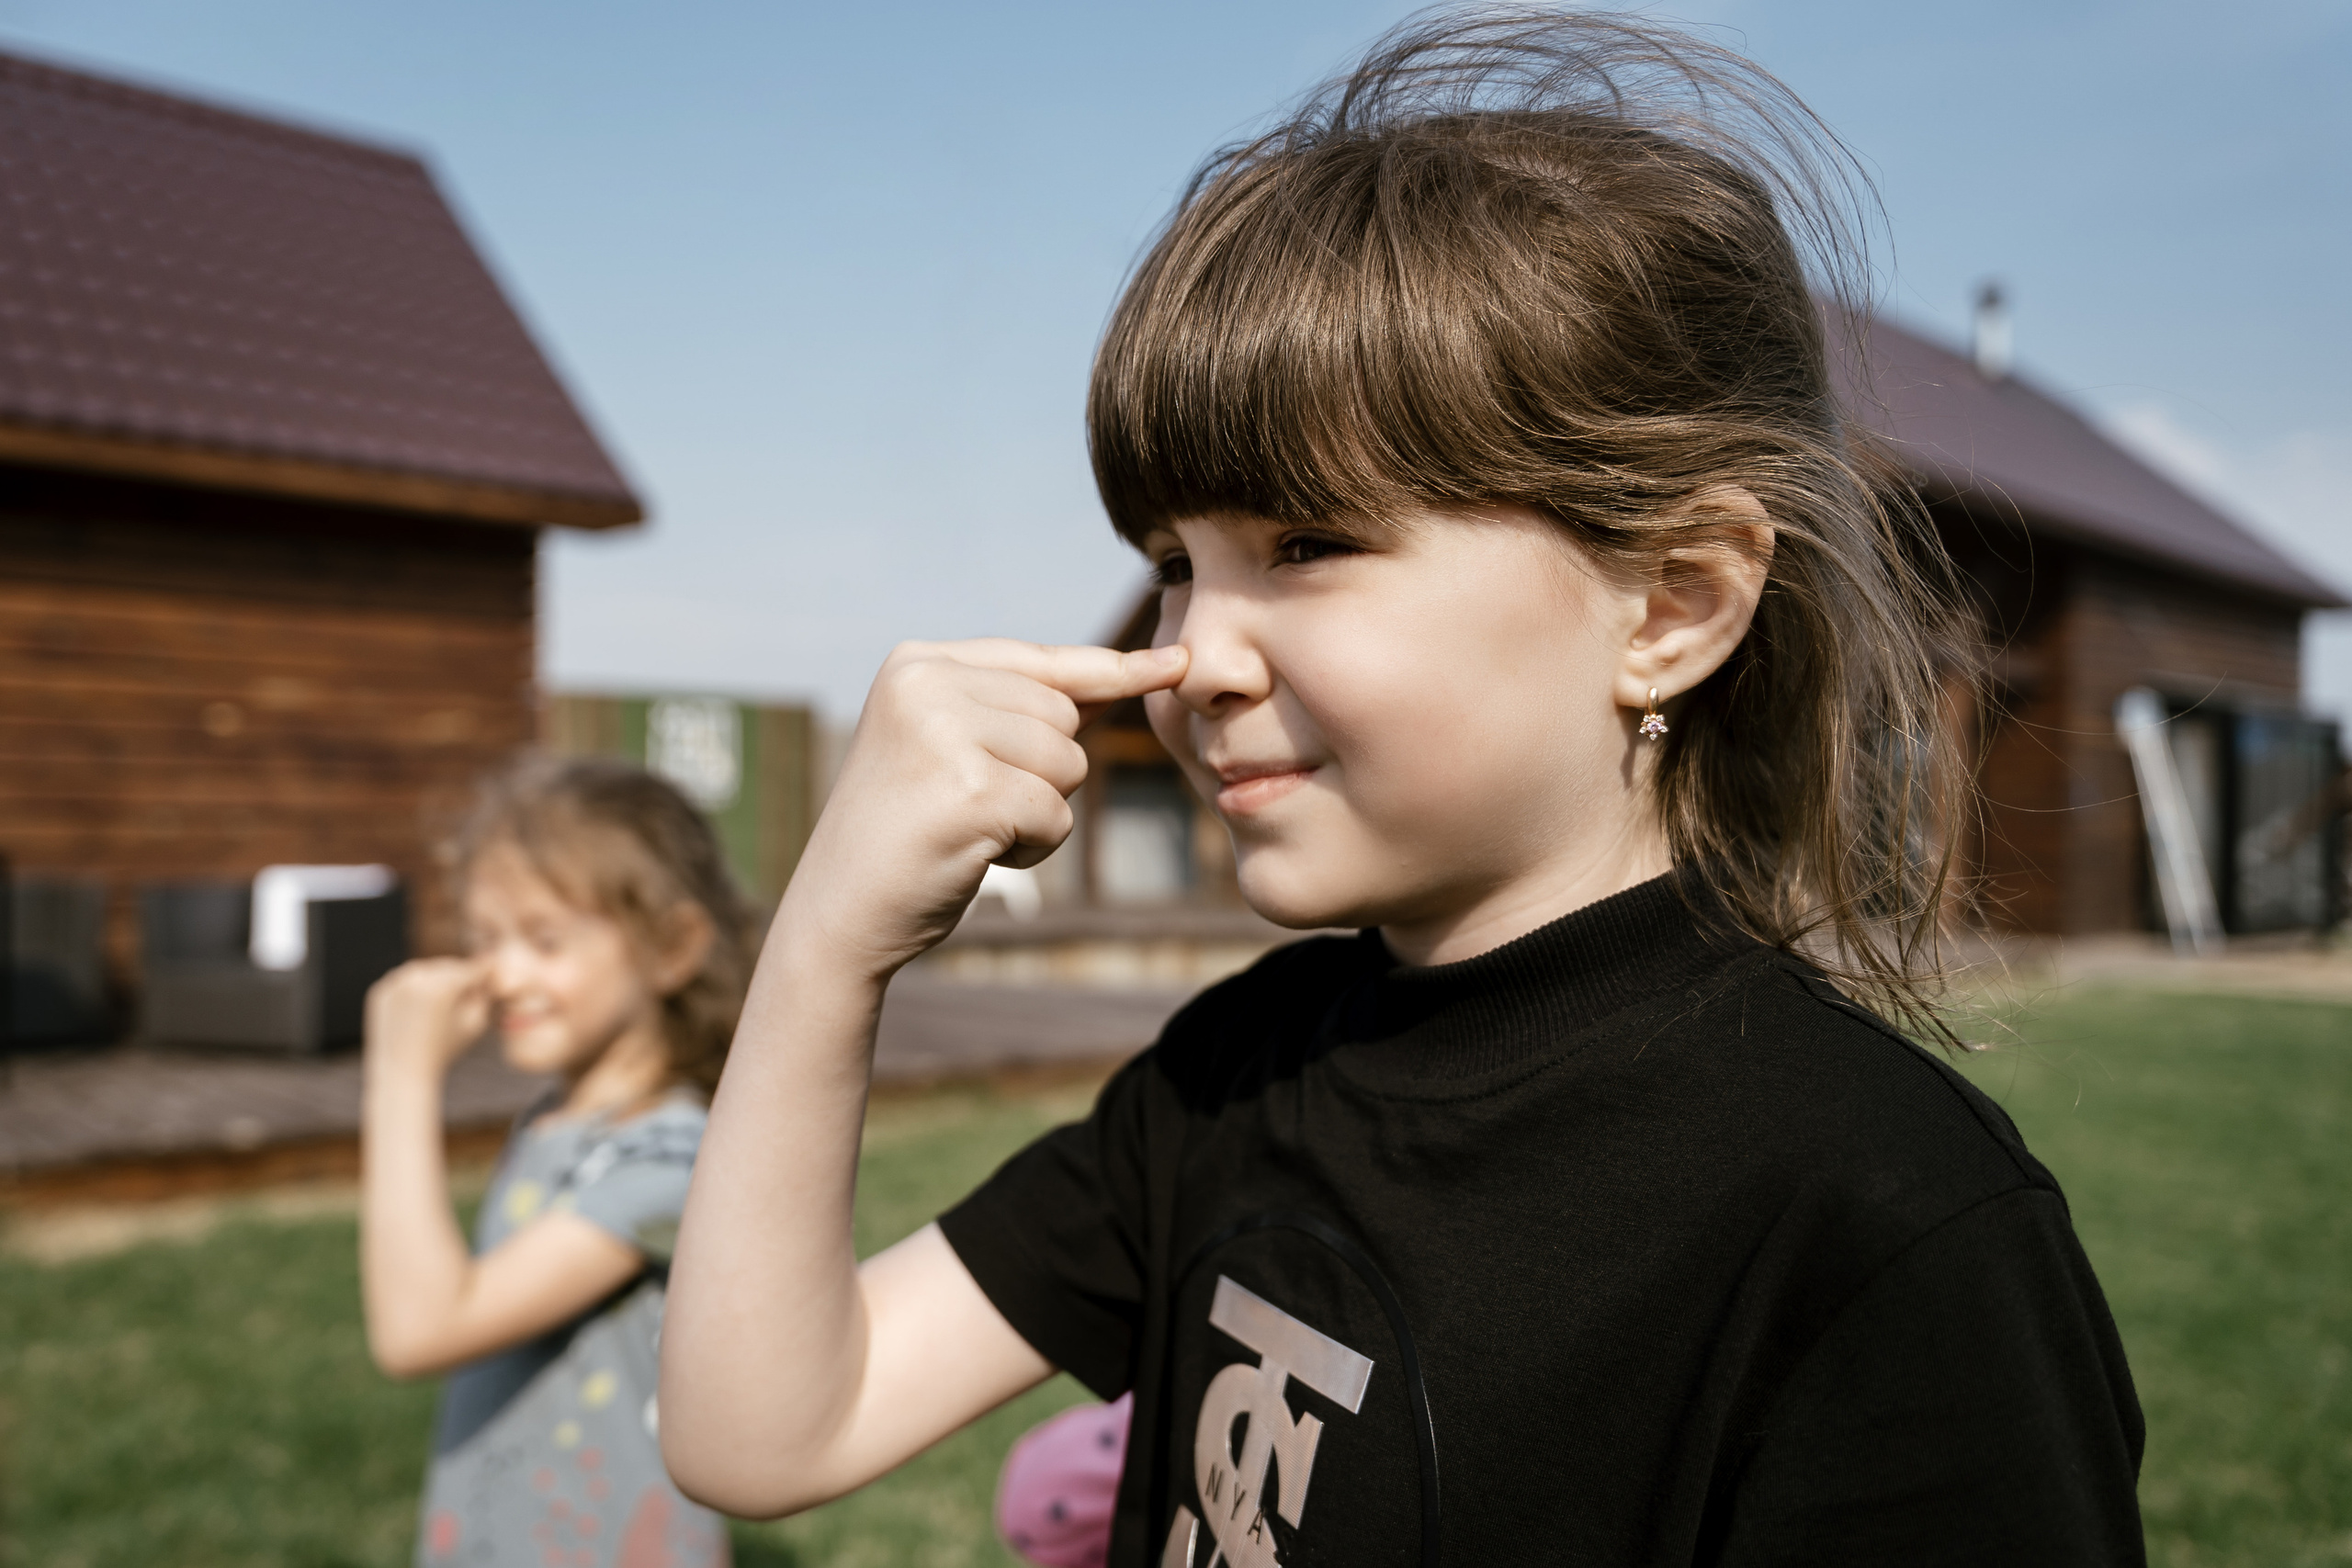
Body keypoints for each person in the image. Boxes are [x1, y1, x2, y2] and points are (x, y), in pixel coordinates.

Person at [661, 9, 2147, 1563]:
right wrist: (828, 941)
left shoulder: (1885, 1215)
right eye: (1173, 561)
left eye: (1306, 542)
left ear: (1673, 603)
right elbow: (762, 1429)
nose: (1191, 655)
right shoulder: (1232, 1071)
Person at [361, 759, 757, 1568]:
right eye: (484, 939)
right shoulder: (556, 1118)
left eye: (545, 940)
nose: (504, 975)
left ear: (672, 947)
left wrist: (401, 1075)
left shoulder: (667, 1158)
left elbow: (420, 1328)